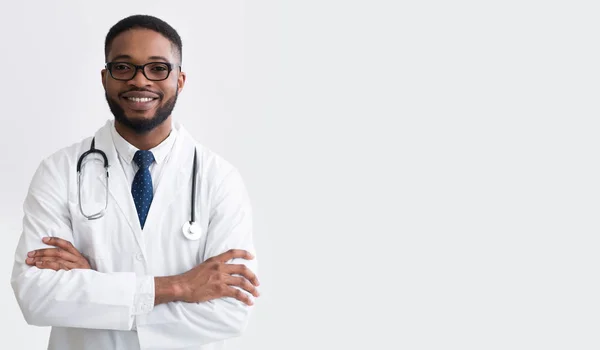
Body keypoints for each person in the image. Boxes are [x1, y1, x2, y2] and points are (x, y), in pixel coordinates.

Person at [10, 14, 260, 350]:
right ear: (105, 77)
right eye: (124, 67)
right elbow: (36, 296)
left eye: (158, 68)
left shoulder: (219, 180)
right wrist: (177, 287)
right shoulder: (59, 171)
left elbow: (230, 313)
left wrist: (98, 289)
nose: (140, 81)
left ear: (180, 80)